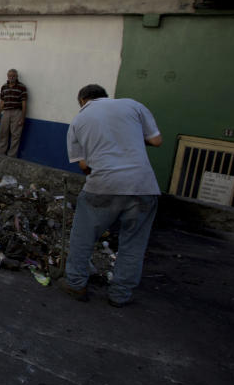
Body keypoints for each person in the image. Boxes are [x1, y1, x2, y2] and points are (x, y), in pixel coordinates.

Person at [60, 84, 163, 307]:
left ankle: (76, 284)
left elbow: (84, 165)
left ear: (82, 101)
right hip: (143, 186)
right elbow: (156, 141)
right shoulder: (133, 106)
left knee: (83, 238)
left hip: (103, 185)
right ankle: (120, 295)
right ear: (106, 97)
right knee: (133, 244)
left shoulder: (79, 121)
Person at [0, 69, 27, 157]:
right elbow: (2, 102)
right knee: (3, 133)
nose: (11, 77)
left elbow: (24, 104)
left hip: (17, 112)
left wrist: (22, 118)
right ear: (7, 76)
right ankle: (0, 154)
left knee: (15, 135)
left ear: (17, 77)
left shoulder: (22, 87)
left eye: (13, 76)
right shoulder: (4, 87)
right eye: (10, 76)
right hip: (6, 112)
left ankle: (12, 156)